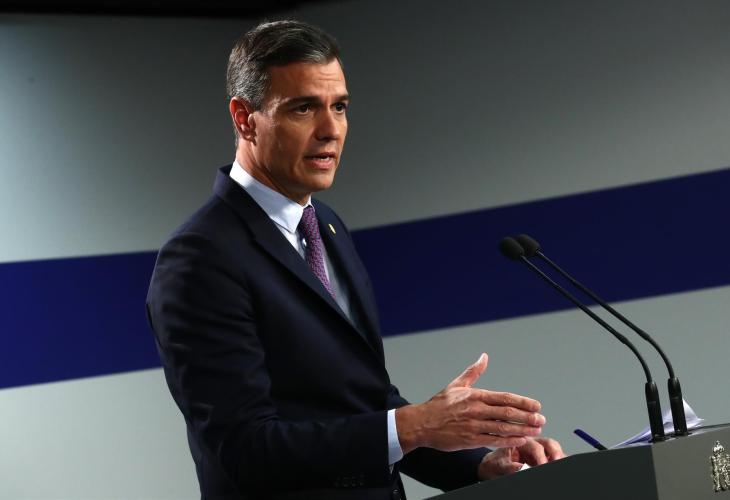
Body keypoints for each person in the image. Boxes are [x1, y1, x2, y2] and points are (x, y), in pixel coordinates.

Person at [146, 20, 565, 500]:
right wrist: (416, 424)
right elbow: (245, 450)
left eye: (339, 107)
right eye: (304, 108)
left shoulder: (326, 226)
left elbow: (364, 402)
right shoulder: (200, 258)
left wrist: (480, 465)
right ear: (244, 118)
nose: (330, 130)